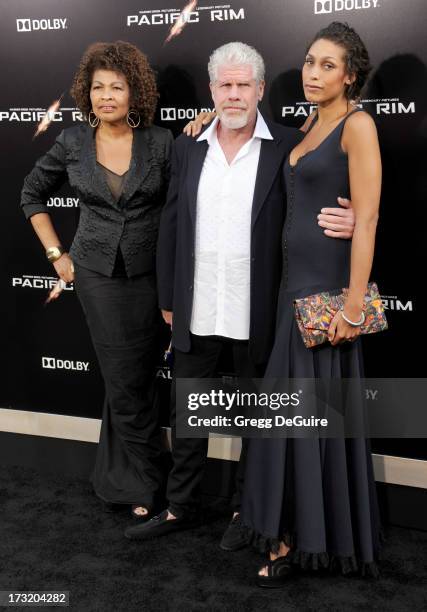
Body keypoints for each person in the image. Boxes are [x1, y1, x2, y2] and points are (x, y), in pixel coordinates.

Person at [125, 41, 356, 542]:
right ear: (212, 90)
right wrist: (168, 298)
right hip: (196, 303)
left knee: (259, 420)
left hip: (260, 309)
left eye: (242, 85)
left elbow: (324, 195)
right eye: (224, 86)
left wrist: (356, 216)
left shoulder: (290, 145)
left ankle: (246, 513)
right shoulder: (187, 145)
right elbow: (170, 225)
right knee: (188, 412)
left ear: (260, 89)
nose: (233, 95)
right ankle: (181, 505)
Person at [238, 22, 383, 586]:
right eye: (308, 62)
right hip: (288, 295)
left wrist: (351, 307)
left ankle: (300, 538)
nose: (312, 73)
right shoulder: (305, 122)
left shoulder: (358, 124)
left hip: (326, 298)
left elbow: (366, 219)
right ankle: (292, 531)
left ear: (350, 75)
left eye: (327, 65)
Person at [20, 41, 173, 520]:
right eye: (98, 88)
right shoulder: (71, 142)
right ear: (87, 94)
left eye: (117, 87)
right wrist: (56, 255)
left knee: (137, 378)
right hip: (96, 275)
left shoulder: (162, 142)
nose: (107, 96)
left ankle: (119, 476)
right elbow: (31, 194)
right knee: (124, 379)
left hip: (150, 275)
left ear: (135, 93)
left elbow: (184, 206)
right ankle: (153, 480)